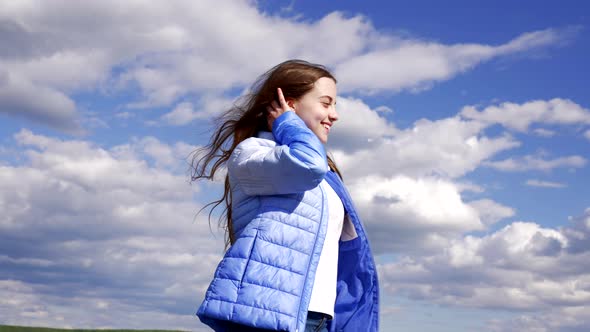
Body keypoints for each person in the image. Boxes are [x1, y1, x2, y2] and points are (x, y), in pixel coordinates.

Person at [192, 60, 379, 332]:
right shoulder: (254, 153)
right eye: (326, 104)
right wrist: (288, 125)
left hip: (318, 318)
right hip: (269, 314)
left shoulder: (326, 177)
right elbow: (308, 165)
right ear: (289, 105)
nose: (334, 115)